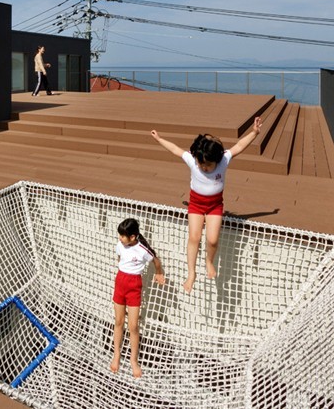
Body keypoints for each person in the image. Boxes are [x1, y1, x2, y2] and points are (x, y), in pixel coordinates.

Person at [150, 117, 262, 293]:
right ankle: (191, 273)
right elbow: (175, 149)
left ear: (217, 160)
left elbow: (239, 146)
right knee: (194, 237)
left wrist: (254, 132)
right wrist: (159, 139)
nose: (204, 168)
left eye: (208, 166)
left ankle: (209, 261)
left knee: (212, 239)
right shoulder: (194, 160)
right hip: (196, 204)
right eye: (201, 165)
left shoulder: (224, 160)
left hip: (215, 206)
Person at [110, 218, 165, 378]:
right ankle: (117, 354)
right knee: (119, 321)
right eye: (119, 235)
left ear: (133, 237)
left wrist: (159, 272)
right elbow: (120, 258)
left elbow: (155, 260)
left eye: (123, 236)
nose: (120, 238)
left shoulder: (142, 249)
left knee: (133, 326)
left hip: (134, 286)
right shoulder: (120, 244)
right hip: (120, 282)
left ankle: (134, 360)